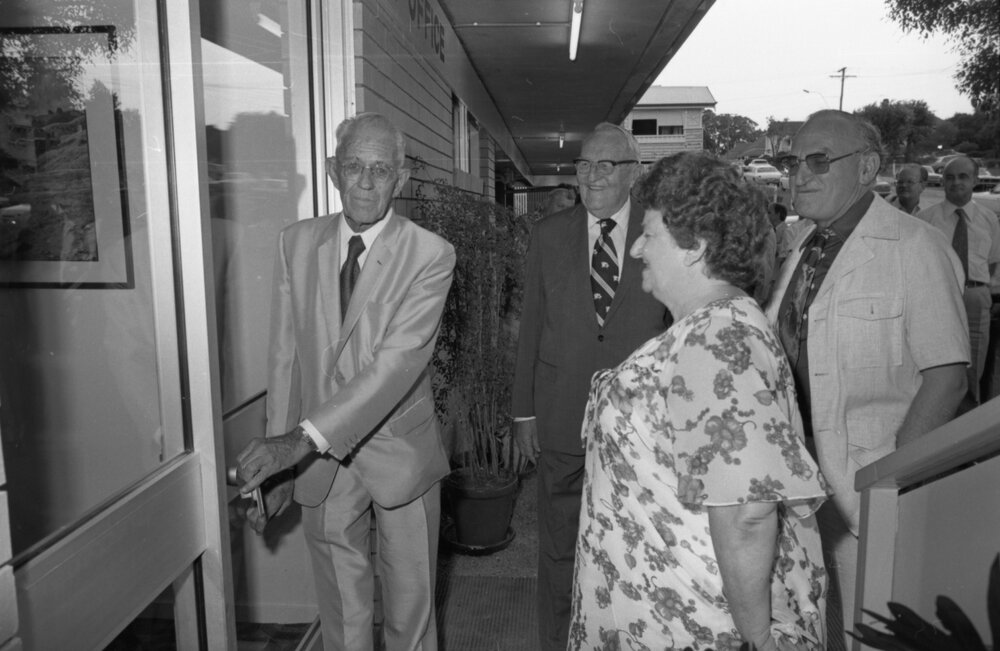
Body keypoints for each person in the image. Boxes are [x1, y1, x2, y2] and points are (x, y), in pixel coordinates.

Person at [569, 152, 829, 651]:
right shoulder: (717, 326)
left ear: (696, 248)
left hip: (694, 619)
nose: (639, 248)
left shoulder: (717, 338)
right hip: (666, 603)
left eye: (650, 233)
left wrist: (757, 639)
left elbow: (748, 510)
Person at [235, 112, 456, 651]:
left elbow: (395, 366)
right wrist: (281, 469)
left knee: (411, 615)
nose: (364, 181)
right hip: (321, 466)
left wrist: (296, 441)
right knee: (342, 617)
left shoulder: (431, 254)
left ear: (399, 180)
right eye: (353, 166)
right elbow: (286, 359)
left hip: (400, 455)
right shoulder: (295, 243)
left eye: (380, 170)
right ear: (333, 171)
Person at [768, 110, 968, 649]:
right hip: (796, 481)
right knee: (807, 625)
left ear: (867, 168)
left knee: (869, 633)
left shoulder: (915, 248)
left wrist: (890, 480)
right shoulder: (805, 245)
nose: (798, 175)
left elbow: (947, 376)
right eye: (792, 161)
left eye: (818, 161)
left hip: (866, 488)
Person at [512, 122, 671, 651]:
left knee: (631, 548)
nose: (592, 176)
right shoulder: (548, 234)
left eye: (607, 165)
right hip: (560, 419)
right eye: (584, 165)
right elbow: (530, 325)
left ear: (635, 173)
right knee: (559, 549)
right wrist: (522, 414)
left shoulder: (664, 233)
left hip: (639, 428)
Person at [917, 155, 1000, 410]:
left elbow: (992, 262)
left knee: (975, 360)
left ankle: (968, 417)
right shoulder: (925, 220)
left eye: (963, 176)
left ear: (975, 180)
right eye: (949, 177)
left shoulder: (989, 220)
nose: (956, 182)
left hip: (975, 297)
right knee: (935, 359)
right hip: (936, 298)